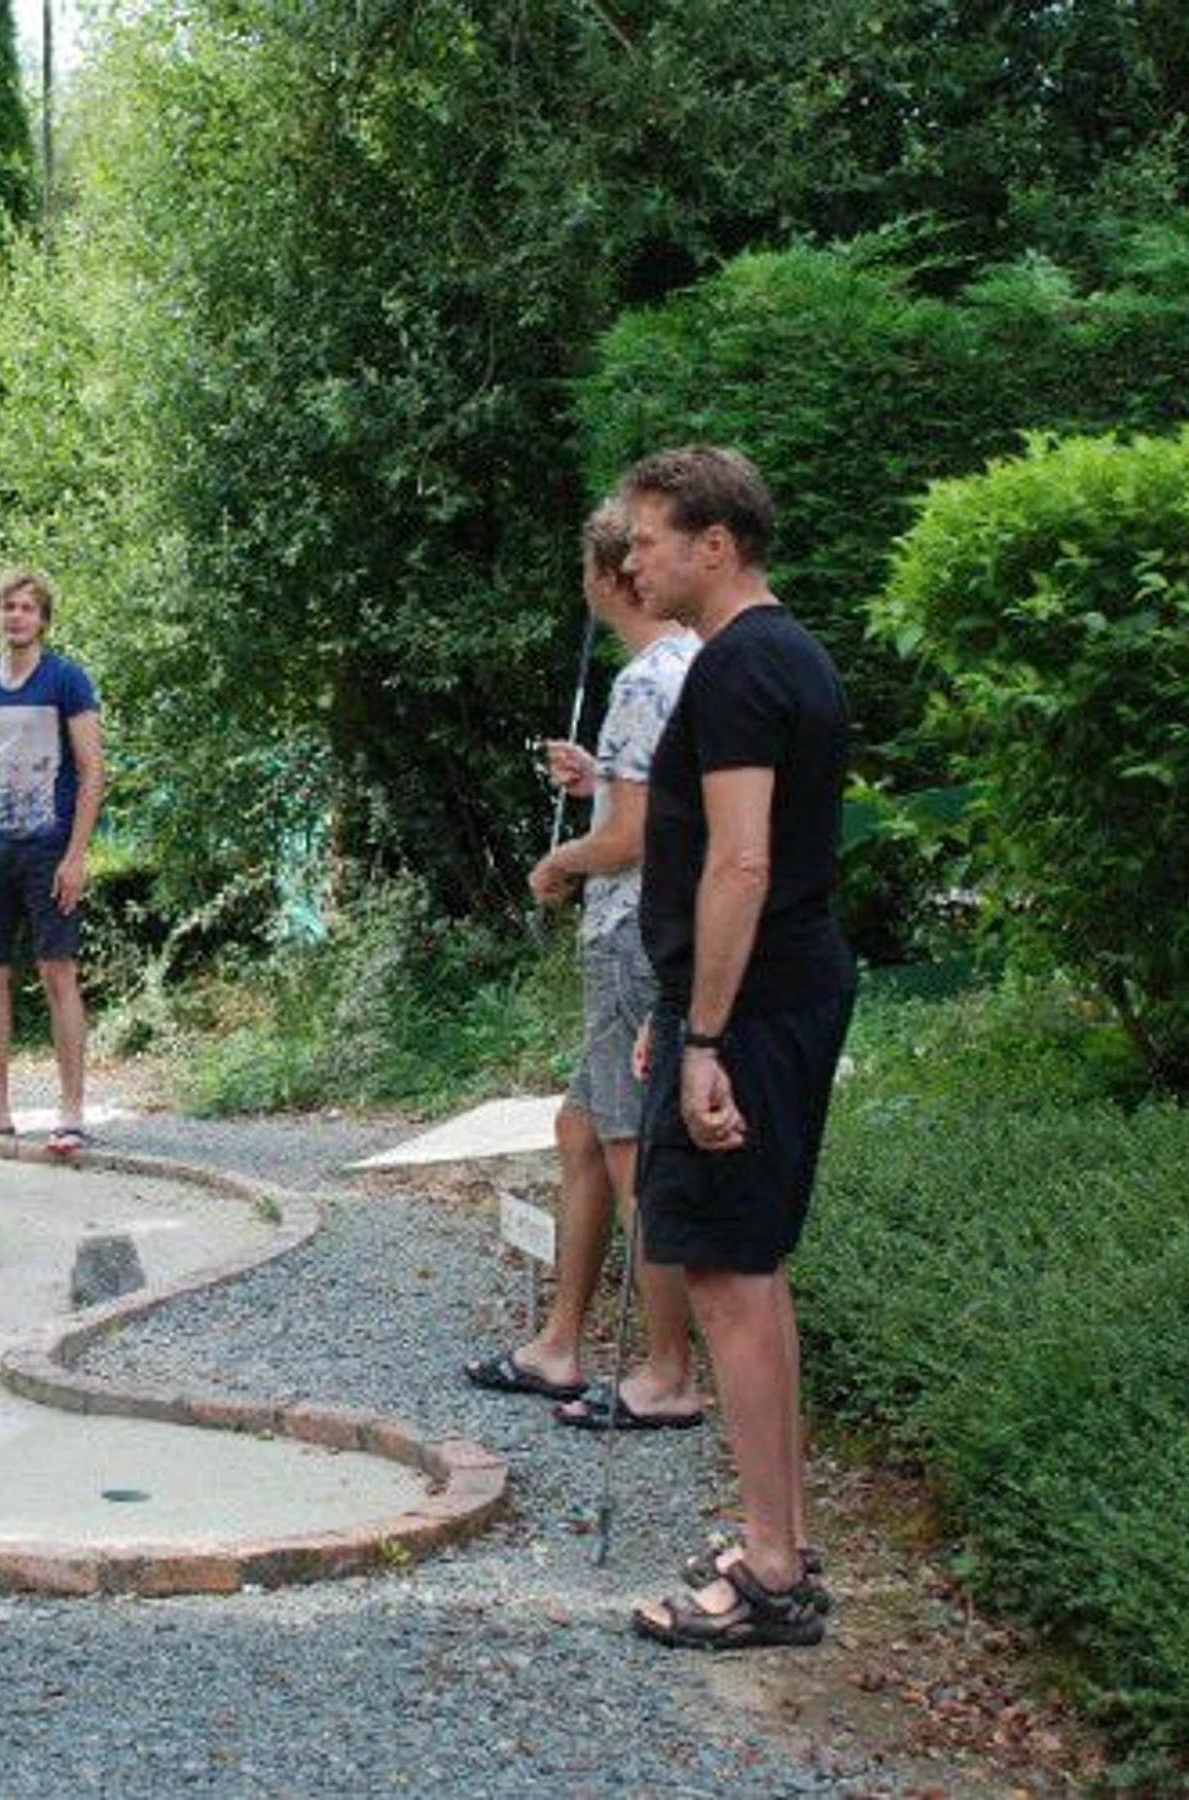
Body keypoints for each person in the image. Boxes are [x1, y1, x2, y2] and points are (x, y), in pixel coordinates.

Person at [616, 447, 858, 1651]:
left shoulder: (742, 666)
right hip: (762, 994)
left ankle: (769, 1574)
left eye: (647, 540)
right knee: (748, 1266)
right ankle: (783, 1547)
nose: (630, 562)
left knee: (726, 1272)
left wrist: (703, 1034)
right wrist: (676, 1008)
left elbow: (744, 862)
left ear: (715, 544)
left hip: (755, 1008)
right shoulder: (781, 653)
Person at [462, 499, 704, 1431]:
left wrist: (560, 860)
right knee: (579, 1127)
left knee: (631, 1144)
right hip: (653, 929)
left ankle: (668, 1372)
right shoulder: (688, 664)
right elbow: (663, 801)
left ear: (610, 577)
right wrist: (599, 779)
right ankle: (559, 1344)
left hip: (631, 933)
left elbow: (634, 838)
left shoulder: (644, 680)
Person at [0, 570, 105, 1155]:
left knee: (58, 971)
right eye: (8, 606)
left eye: (28, 608)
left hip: (50, 846)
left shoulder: (66, 679)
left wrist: (76, 856)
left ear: (43, 620)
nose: (17, 616)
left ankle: (71, 1114)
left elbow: (93, 770)